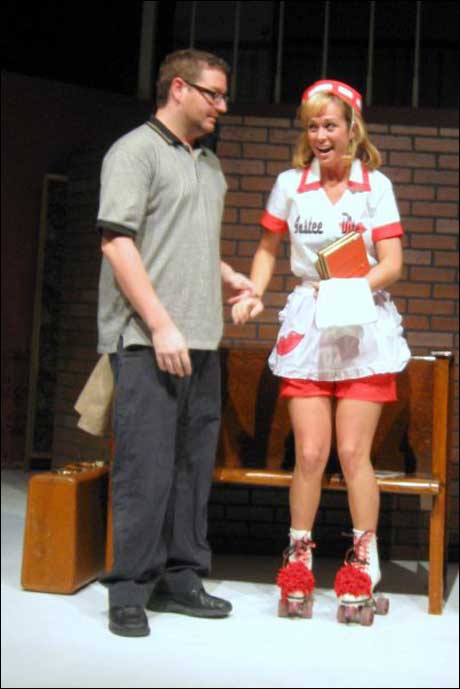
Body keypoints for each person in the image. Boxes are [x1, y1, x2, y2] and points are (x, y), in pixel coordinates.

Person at [232, 79, 410, 622]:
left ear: (352, 128)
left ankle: (361, 565)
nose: (320, 135)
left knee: (354, 454)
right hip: (310, 323)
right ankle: (298, 561)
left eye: (330, 125)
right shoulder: (291, 184)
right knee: (310, 454)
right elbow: (268, 248)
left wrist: (350, 292)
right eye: (312, 126)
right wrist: (255, 291)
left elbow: (392, 263)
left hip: (361, 324)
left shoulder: (375, 186)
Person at [96, 49, 255, 637]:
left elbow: (182, 240)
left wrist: (226, 273)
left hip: (201, 340)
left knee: (192, 467)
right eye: (214, 93)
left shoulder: (208, 163)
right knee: (146, 468)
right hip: (148, 340)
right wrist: (160, 324)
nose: (222, 105)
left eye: (225, 95)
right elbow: (118, 244)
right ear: (179, 89)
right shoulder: (134, 152)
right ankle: (129, 589)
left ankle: (182, 578)